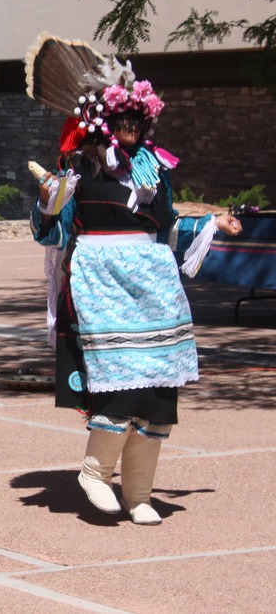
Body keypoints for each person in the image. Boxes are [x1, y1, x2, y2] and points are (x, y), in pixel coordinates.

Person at [25, 33, 242, 525]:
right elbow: (50, 230)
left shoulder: (154, 169)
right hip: (101, 283)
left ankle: (139, 494)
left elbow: (164, 224)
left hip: (154, 285)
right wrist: (47, 201)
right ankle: (95, 473)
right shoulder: (78, 166)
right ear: (102, 119)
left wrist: (210, 221)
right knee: (121, 388)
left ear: (145, 120)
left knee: (160, 393)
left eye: (136, 118)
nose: (128, 126)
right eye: (120, 117)